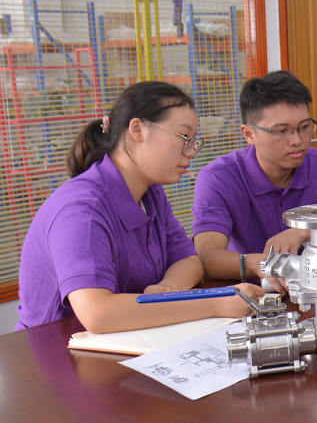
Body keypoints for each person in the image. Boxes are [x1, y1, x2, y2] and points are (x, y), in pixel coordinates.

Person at [15, 81, 263, 333]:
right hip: (55, 346)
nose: (190, 152)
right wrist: (215, 303)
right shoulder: (81, 209)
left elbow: (189, 260)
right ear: (137, 130)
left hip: (129, 338)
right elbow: (97, 314)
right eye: (184, 137)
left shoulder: (150, 194)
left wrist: (168, 290)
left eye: (193, 141)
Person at [192, 71, 317, 290]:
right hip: (249, 294)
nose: (297, 140)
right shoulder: (217, 178)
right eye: (281, 131)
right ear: (249, 134)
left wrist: (302, 232)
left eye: (304, 127)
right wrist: (257, 263)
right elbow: (207, 257)